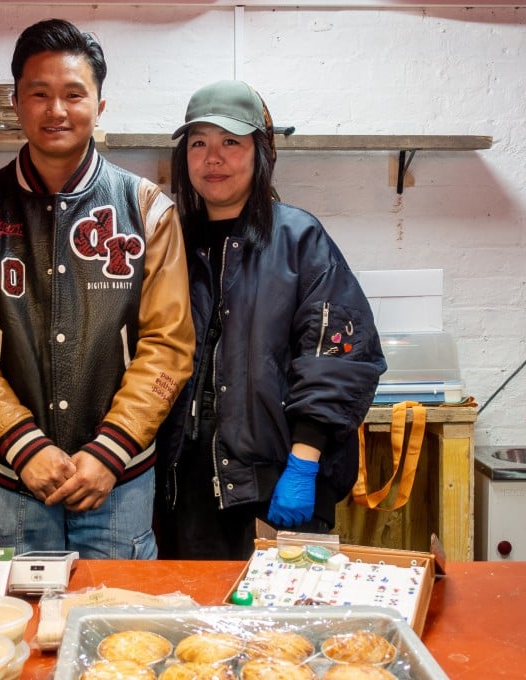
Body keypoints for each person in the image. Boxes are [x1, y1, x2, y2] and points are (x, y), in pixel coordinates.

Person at [0, 19, 194, 559]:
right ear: (17, 103)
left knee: (117, 637)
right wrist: (23, 447)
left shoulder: (148, 211)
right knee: (17, 632)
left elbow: (168, 346)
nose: (57, 110)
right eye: (39, 94)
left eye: (74, 94)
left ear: (100, 104)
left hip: (119, 484)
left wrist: (109, 452)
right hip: (11, 484)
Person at [155, 80, 387, 560]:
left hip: (279, 485)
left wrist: (304, 463)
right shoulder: (169, 240)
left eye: (231, 143)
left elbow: (339, 357)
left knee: (280, 631)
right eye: (199, 143)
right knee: (199, 627)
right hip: (185, 490)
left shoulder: (299, 239)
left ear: (261, 152)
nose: (212, 158)